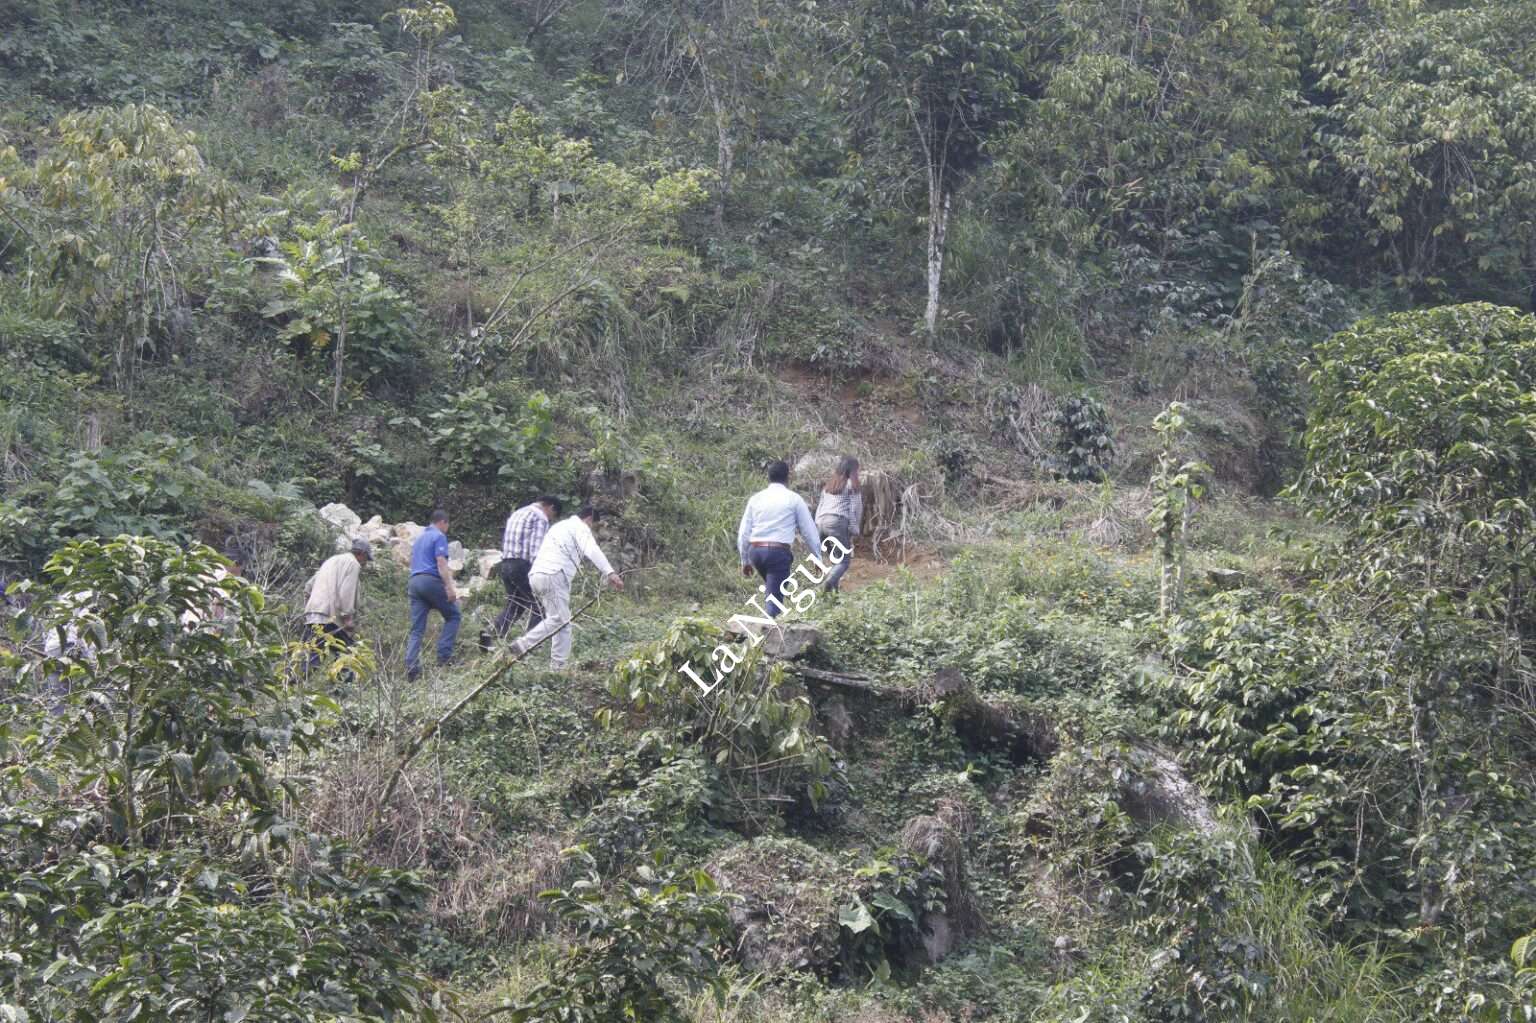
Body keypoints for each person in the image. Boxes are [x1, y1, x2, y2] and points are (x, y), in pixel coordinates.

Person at [509, 504, 623, 671]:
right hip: (554, 574)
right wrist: (610, 572)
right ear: (589, 519)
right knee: (559, 619)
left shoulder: (559, 526)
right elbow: (591, 549)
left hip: (537, 575)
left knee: (561, 621)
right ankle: (523, 645)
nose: (592, 530)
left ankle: (557, 668)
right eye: (594, 526)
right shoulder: (579, 527)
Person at [737, 460, 821, 617]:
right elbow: (808, 531)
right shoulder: (794, 499)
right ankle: (764, 632)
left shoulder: (756, 499)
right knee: (774, 601)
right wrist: (817, 557)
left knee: (774, 591)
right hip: (777, 554)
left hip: (755, 552)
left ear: (768, 477)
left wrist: (745, 560)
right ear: (787, 478)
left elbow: (743, 532)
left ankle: (766, 621)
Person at [481, 495, 562, 650]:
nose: (550, 519)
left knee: (515, 604)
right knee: (540, 605)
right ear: (550, 507)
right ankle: (529, 646)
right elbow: (536, 550)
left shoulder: (518, 513)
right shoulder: (540, 518)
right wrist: (542, 572)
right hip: (523, 566)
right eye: (553, 515)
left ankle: (490, 635)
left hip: (506, 563)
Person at [405, 509, 461, 682]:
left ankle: (411, 666)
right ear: (443, 522)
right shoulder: (439, 536)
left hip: (414, 582)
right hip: (430, 581)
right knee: (454, 615)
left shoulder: (419, 538)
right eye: (447, 525)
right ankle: (444, 658)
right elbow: (441, 562)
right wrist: (450, 588)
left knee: (417, 629)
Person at [303, 538, 372, 669]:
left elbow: (308, 587)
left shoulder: (331, 561)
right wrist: (348, 619)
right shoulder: (353, 564)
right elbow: (346, 592)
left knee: (310, 659)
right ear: (361, 554)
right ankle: (342, 689)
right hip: (330, 618)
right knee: (348, 657)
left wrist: (310, 609)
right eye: (366, 559)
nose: (365, 563)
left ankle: (294, 685)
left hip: (313, 616)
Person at [814, 456, 863, 593]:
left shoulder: (828, 487)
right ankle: (828, 582)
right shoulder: (851, 486)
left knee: (836, 561)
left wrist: (818, 527)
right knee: (844, 562)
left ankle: (833, 598)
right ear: (853, 471)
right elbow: (855, 509)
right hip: (836, 523)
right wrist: (854, 529)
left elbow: (820, 507)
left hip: (821, 524)